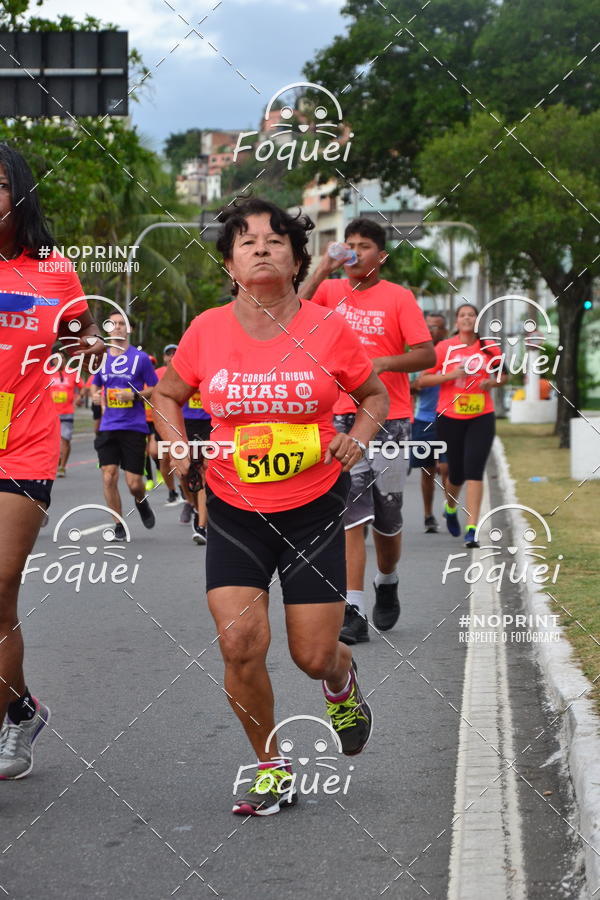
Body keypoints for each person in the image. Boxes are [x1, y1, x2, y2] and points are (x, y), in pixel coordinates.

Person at [153, 198, 388, 816]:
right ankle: (270, 764)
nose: (261, 247)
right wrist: (178, 448)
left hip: (311, 507)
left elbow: (372, 395)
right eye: (246, 240)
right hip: (233, 507)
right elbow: (167, 395)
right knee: (239, 646)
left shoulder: (328, 327)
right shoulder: (207, 329)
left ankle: (340, 684)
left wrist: (354, 439)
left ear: (296, 256)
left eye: (275, 239)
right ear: (229, 262)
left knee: (312, 655)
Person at [0, 143, 103, 778]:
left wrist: (87, 349)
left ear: (19, 193)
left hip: (25, 442)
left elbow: (81, 339)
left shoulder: (53, 271)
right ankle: (21, 713)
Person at [301, 218, 435, 643]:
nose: (354, 252)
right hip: (339, 414)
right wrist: (322, 267)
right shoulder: (329, 291)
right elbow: (290, 311)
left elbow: (426, 354)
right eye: (349, 245)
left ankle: (388, 579)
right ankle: (353, 609)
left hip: (390, 417)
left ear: (382, 255)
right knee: (350, 515)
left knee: (388, 519)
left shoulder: (398, 298)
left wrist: (381, 365)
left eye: (363, 246)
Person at [419, 303, 507, 548]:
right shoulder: (444, 348)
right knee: (455, 472)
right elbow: (423, 380)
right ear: (456, 322)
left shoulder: (489, 348)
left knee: (474, 468)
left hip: (482, 415)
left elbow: (504, 375)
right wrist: (450, 376)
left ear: (477, 322)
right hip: (449, 416)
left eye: (472, 315)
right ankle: (450, 507)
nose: (467, 319)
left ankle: (472, 528)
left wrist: (493, 384)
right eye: (463, 315)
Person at [91, 312, 158, 540]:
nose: (117, 327)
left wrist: (135, 394)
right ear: (108, 329)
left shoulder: (140, 358)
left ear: (128, 329)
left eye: (122, 324)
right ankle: (118, 523)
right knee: (108, 476)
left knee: (134, 483)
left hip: (134, 427)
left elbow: (156, 389)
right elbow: (95, 387)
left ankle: (141, 501)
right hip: (108, 426)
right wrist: (95, 397)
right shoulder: (101, 360)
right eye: (113, 324)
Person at [409, 312, 449, 532]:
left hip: (449, 418)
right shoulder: (416, 355)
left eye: (438, 327)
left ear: (444, 330)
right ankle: (428, 515)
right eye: (430, 327)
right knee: (427, 470)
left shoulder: (451, 353)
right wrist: (419, 383)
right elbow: (406, 388)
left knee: (445, 467)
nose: (433, 331)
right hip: (423, 420)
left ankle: (449, 504)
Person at [152, 344, 184, 506]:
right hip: (163, 420)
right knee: (163, 458)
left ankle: (186, 491)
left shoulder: (186, 371)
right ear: (164, 358)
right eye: (168, 354)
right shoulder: (157, 373)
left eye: (175, 353)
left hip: (184, 422)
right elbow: (150, 390)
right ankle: (172, 490)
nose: (172, 357)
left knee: (183, 459)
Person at [49, 347, 83, 477]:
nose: (60, 360)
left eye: (62, 358)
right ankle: (56, 462)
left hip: (67, 412)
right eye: (57, 358)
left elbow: (83, 387)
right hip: (50, 414)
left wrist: (79, 398)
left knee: (65, 440)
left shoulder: (72, 373)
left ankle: (62, 466)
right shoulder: (47, 373)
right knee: (53, 441)